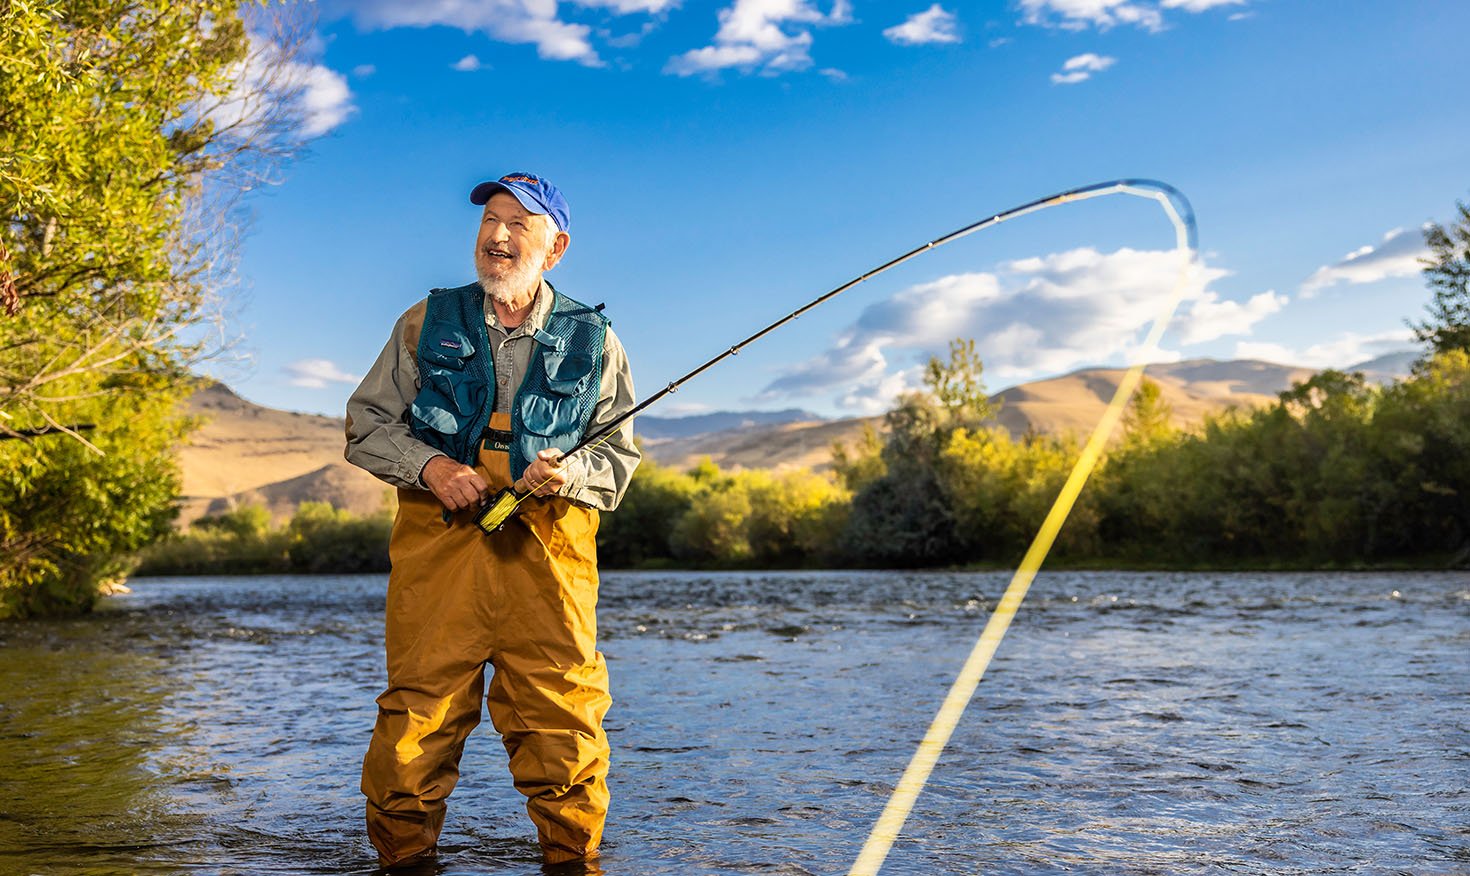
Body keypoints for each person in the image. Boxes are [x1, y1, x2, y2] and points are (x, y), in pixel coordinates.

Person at [343, 171, 640, 870]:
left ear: (555, 246)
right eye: (489, 223)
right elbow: (365, 426)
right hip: (439, 555)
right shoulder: (423, 321)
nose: (497, 238)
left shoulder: (595, 339)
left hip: (550, 560)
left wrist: (569, 473)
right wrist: (432, 469)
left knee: (565, 722)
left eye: (518, 225)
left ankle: (573, 861)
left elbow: (618, 461)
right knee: (416, 720)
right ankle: (403, 860)